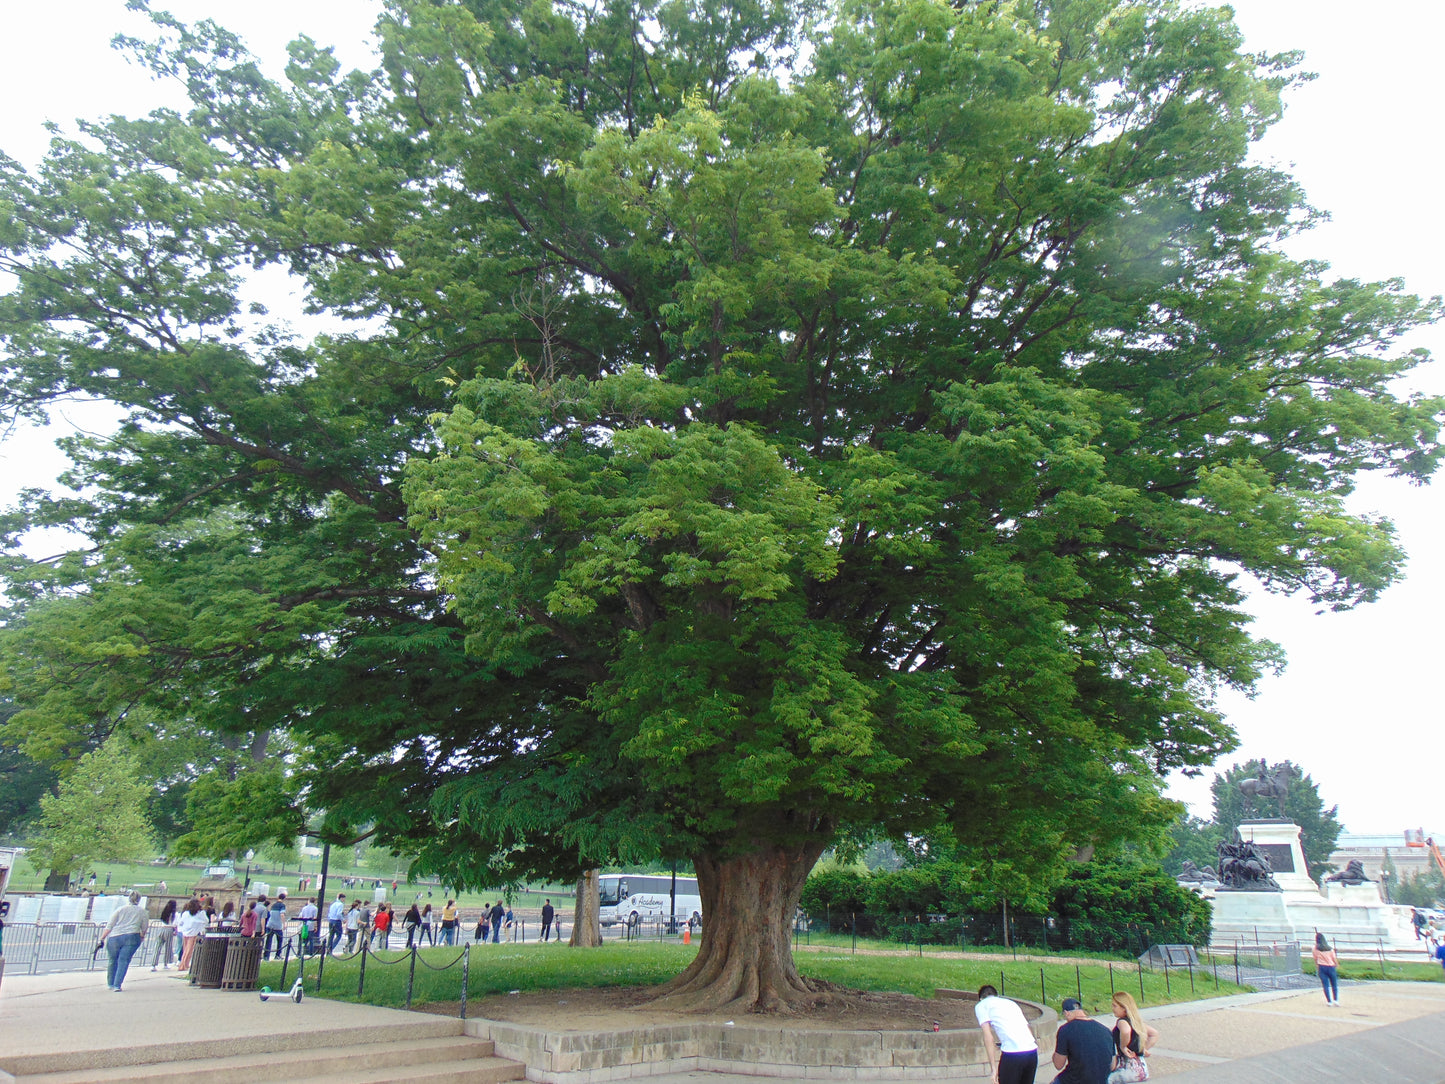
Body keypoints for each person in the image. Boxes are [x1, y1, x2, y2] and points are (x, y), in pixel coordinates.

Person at [974, 984, 1038, 1084]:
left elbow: (988, 1037)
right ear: (996, 995)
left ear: (981, 998)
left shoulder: (981, 1005)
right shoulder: (1011, 1003)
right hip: (1031, 1052)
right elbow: (1027, 1028)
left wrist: (993, 1069)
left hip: (1013, 1054)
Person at [1050, 998, 1113, 1084]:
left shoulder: (1065, 1030)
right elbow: (1113, 1064)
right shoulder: (1106, 1030)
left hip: (1075, 1080)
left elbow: (1058, 1065)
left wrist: (1055, 1055)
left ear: (1066, 1013)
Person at [99, 891, 150, 992]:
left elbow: (110, 925)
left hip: (115, 935)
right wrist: (142, 935)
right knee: (124, 961)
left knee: (112, 960)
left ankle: (110, 982)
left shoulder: (120, 909)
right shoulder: (142, 912)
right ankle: (117, 985)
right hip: (132, 935)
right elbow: (144, 926)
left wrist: (102, 937)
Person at [1106, 992, 1157, 1084]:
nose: (1112, 1009)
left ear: (1124, 1008)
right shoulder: (1136, 1023)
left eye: (1115, 1006)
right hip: (1142, 1068)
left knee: (1106, 1079)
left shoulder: (1122, 1022)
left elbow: (1126, 1031)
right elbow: (1154, 1034)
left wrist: (1123, 1047)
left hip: (1127, 1068)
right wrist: (1143, 1048)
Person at [176, 899, 208, 972]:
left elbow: (181, 922)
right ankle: (183, 964)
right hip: (193, 932)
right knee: (189, 949)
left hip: (185, 931)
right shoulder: (201, 913)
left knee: (185, 948)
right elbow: (206, 921)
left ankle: (185, 963)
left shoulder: (186, 913)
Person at [150, 898, 178, 970]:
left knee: (157, 946)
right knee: (168, 947)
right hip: (169, 929)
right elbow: (175, 923)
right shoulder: (175, 914)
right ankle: (166, 963)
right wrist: (175, 931)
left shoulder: (164, 912)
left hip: (162, 928)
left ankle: (153, 964)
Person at [1312, 932, 1340, 1006]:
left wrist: (1317, 966)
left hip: (1321, 966)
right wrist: (1337, 964)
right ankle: (1336, 1000)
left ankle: (1329, 1001)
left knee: (1325, 985)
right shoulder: (1330, 949)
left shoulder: (1315, 949)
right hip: (1331, 966)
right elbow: (1333, 958)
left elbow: (1315, 958)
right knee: (1334, 984)